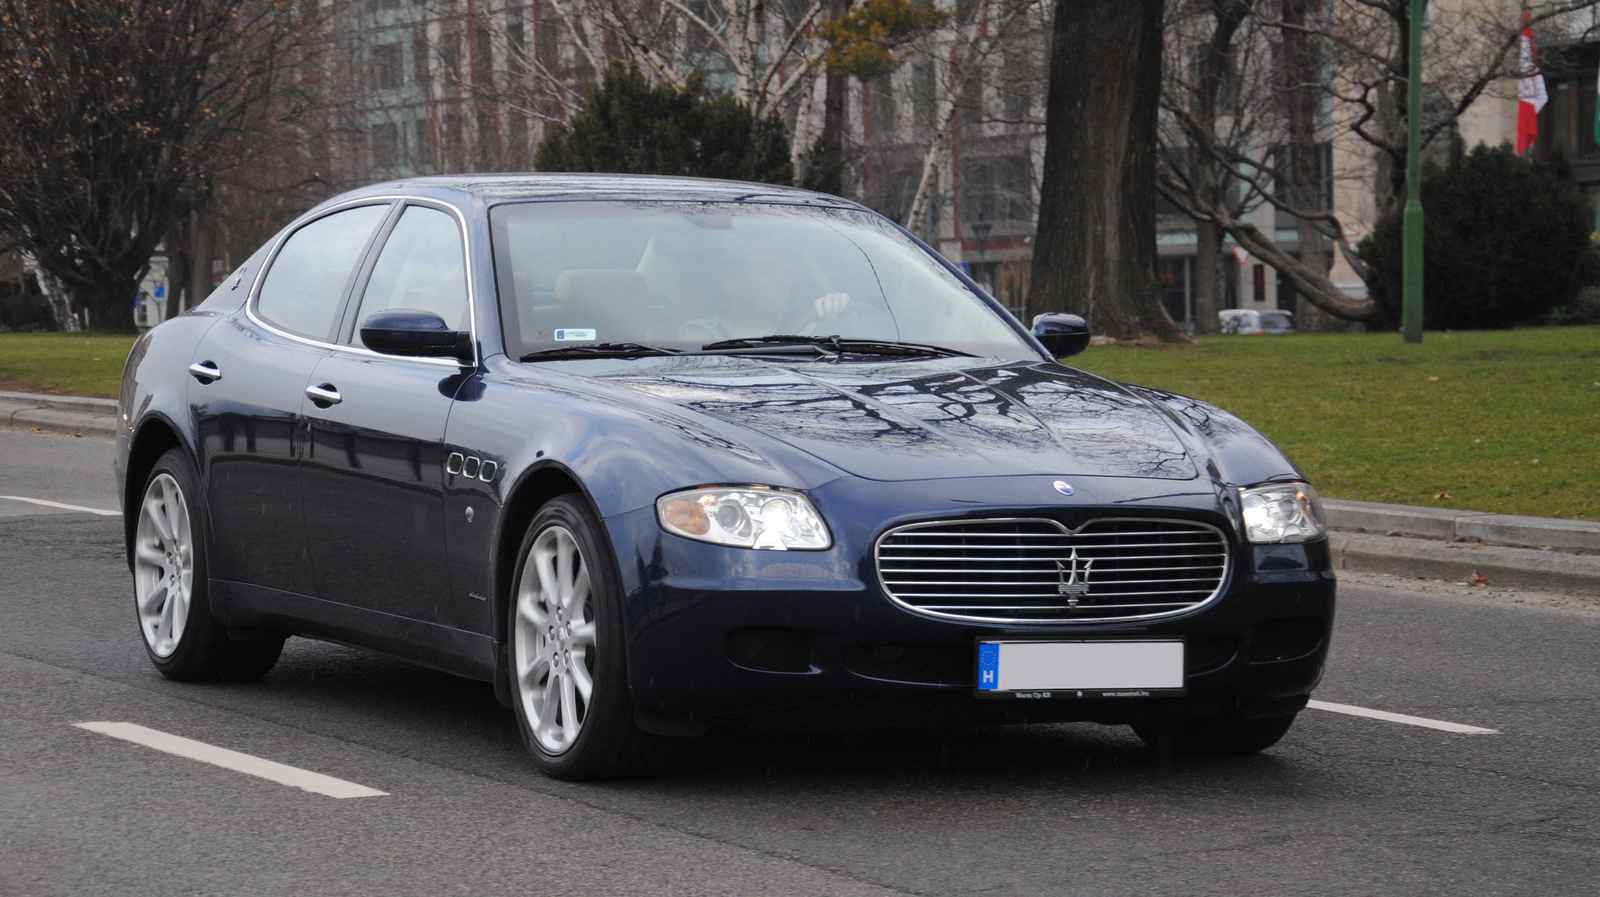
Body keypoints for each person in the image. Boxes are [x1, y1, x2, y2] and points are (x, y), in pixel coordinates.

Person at [678, 250, 854, 343]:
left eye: (785, 271)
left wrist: (840, 315)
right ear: (734, 286)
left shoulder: (808, 331)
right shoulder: (700, 338)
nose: (785, 280)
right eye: (767, 272)